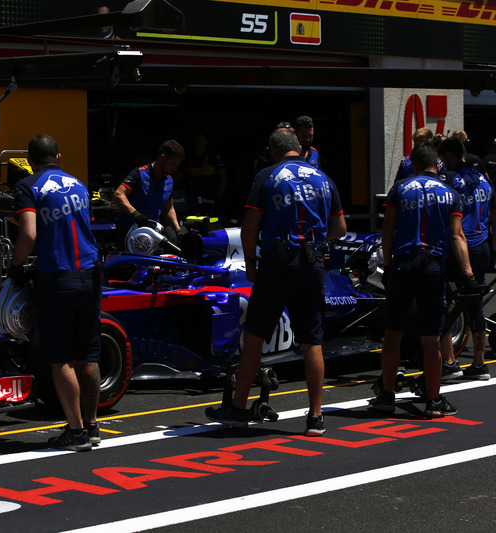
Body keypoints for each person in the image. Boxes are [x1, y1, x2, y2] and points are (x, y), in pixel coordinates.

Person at [206, 128, 346, 436]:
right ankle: (315, 417)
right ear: (300, 148)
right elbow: (340, 228)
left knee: (255, 336)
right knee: (312, 341)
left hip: (278, 264)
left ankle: (238, 408)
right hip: (313, 265)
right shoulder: (323, 178)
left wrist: (252, 265)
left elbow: (248, 229)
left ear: (273, 151)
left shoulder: (269, 176)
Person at [369, 142, 476, 417]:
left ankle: (387, 395)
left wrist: (389, 265)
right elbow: (456, 236)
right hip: (433, 267)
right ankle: (434, 400)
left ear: (414, 164)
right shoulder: (450, 193)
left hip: (404, 266)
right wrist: (469, 275)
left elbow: (387, 230)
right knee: (431, 339)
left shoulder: (400, 189)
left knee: (393, 335)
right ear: (436, 164)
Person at [10, 134, 102, 452]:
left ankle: (75, 432)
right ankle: (91, 426)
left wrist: (16, 265)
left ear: (29, 160)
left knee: (60, 358)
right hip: (90, 275)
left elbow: (29, 232)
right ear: (58, 157)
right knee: (88, 355)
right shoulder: (79, 184)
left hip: (57, 278)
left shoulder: (27, 186)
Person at [437, 137, 493, 381]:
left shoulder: (449, 180)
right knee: (476, 303)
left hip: (460, 249)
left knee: (446, 302)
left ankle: (449, 363)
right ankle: (479, 364)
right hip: (482, 247)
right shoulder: (484, 181)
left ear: (449, 155)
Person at [112, 140, 185, 244]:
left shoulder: (169, 180)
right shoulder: (139, 174)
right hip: (130, 231)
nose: (175, 169)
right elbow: (118, 195)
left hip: (153, 233)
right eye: (173, 164)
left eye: (177, 165)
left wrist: (178, 231)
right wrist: (136, 215)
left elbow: (168, 208)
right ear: (162, 158)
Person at [178, 132, 228, 219]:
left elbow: (223, 177)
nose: (197, 142)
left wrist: (219, 197)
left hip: (210, 198)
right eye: (196, 140)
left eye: (200, 140)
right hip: (192, 200)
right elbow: (179, 176)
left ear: (206, 142)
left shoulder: (213, 158)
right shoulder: (188, 159)